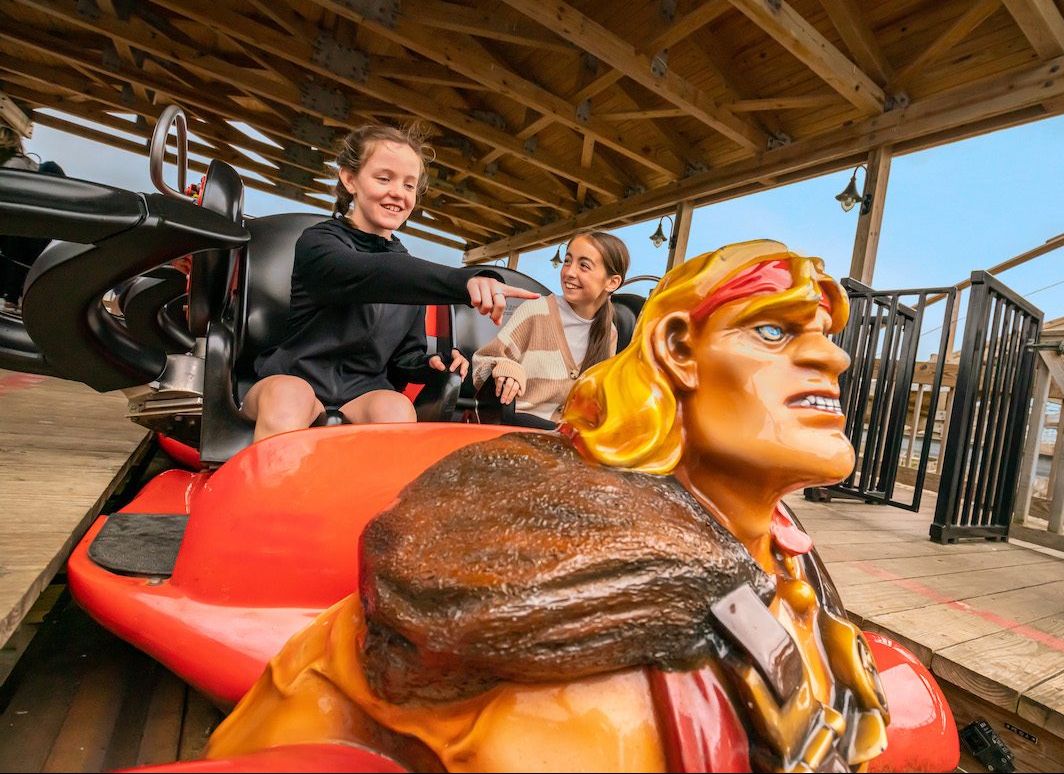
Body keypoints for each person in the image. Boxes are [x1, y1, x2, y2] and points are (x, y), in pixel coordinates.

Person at [203, 242, 955, 772]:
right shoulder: (368, 266)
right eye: (774, 330)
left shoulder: (614, 332)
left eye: (824, 334)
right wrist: (482, 358)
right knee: (312, 407)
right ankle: (262, 500)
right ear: (676, 352)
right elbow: (496, 358)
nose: (835, 356)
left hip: (596, 441)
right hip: (476, 419)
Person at [243, 124, 537, 442]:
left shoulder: (406, 268)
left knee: (395, 408)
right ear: (350, 179)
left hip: (361, 392)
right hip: (293, 377)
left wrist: (430, 364)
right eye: (384, 178)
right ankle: (274, 489)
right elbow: (372, 272)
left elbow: (403, 358)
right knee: (290, 396)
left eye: (409, 185)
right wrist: (462, 280)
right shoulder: (318, 243)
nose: (399, 192)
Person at [470, 230, 629, 427]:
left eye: (584, 266)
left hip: (565, 442)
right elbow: (480, 366)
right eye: (568, 261)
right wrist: (504, 366)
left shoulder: (609, 333)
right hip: (516, 432)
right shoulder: (536, 311)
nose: (569, 272)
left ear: (612, 282)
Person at [0, 126, 65, 315]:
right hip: (38, 226)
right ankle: (14, 299)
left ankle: (11, 299)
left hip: (17, 224)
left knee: (13, 248)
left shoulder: (10, 165)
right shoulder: (29, 164)